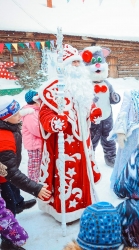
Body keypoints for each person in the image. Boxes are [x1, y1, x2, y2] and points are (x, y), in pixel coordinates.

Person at [38, 44, 102, 223]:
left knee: (83, 175)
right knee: (66, 178)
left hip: (82, 143)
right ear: (63, 67)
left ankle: (85, 206)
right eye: (72, 63)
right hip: (64, 145)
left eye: (77, 62)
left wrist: (93, 111)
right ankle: (65, 210)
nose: (76, 66)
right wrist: (53, 122)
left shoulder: (81, 86)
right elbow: (44, 114)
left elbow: (86, 105)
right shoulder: (51, 90)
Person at [0, 96, 51, 249]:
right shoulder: (4, 139)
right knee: (7, 207)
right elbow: (12, 173)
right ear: (5, 118)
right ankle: (8, 241)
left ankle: (19, 203)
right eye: (16, 114)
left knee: (12, 192)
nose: (20, 115)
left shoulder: (8, 125)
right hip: (3, 176)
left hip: (6, 172)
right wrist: (36, 188)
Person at [81, 46, 121, 167]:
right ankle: (89, 160)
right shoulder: (86, 85)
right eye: (94, 63)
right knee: (92, 140)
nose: (97, 66)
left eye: (100, 62)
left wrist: (115, 97)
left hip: (107, 116)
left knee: (109, 139)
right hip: (93, 119)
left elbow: (114, 99)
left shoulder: (107, 84)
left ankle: (111, 158)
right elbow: (82, 101)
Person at [20, 90, 42, 182]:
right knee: (34, 165)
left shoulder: (36, 111)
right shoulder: (30, 113)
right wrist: (47, 131)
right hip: (34, 145)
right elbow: (36, 130)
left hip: (37, 143)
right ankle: (33, 184)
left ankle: (38, 181)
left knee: (38, 164)